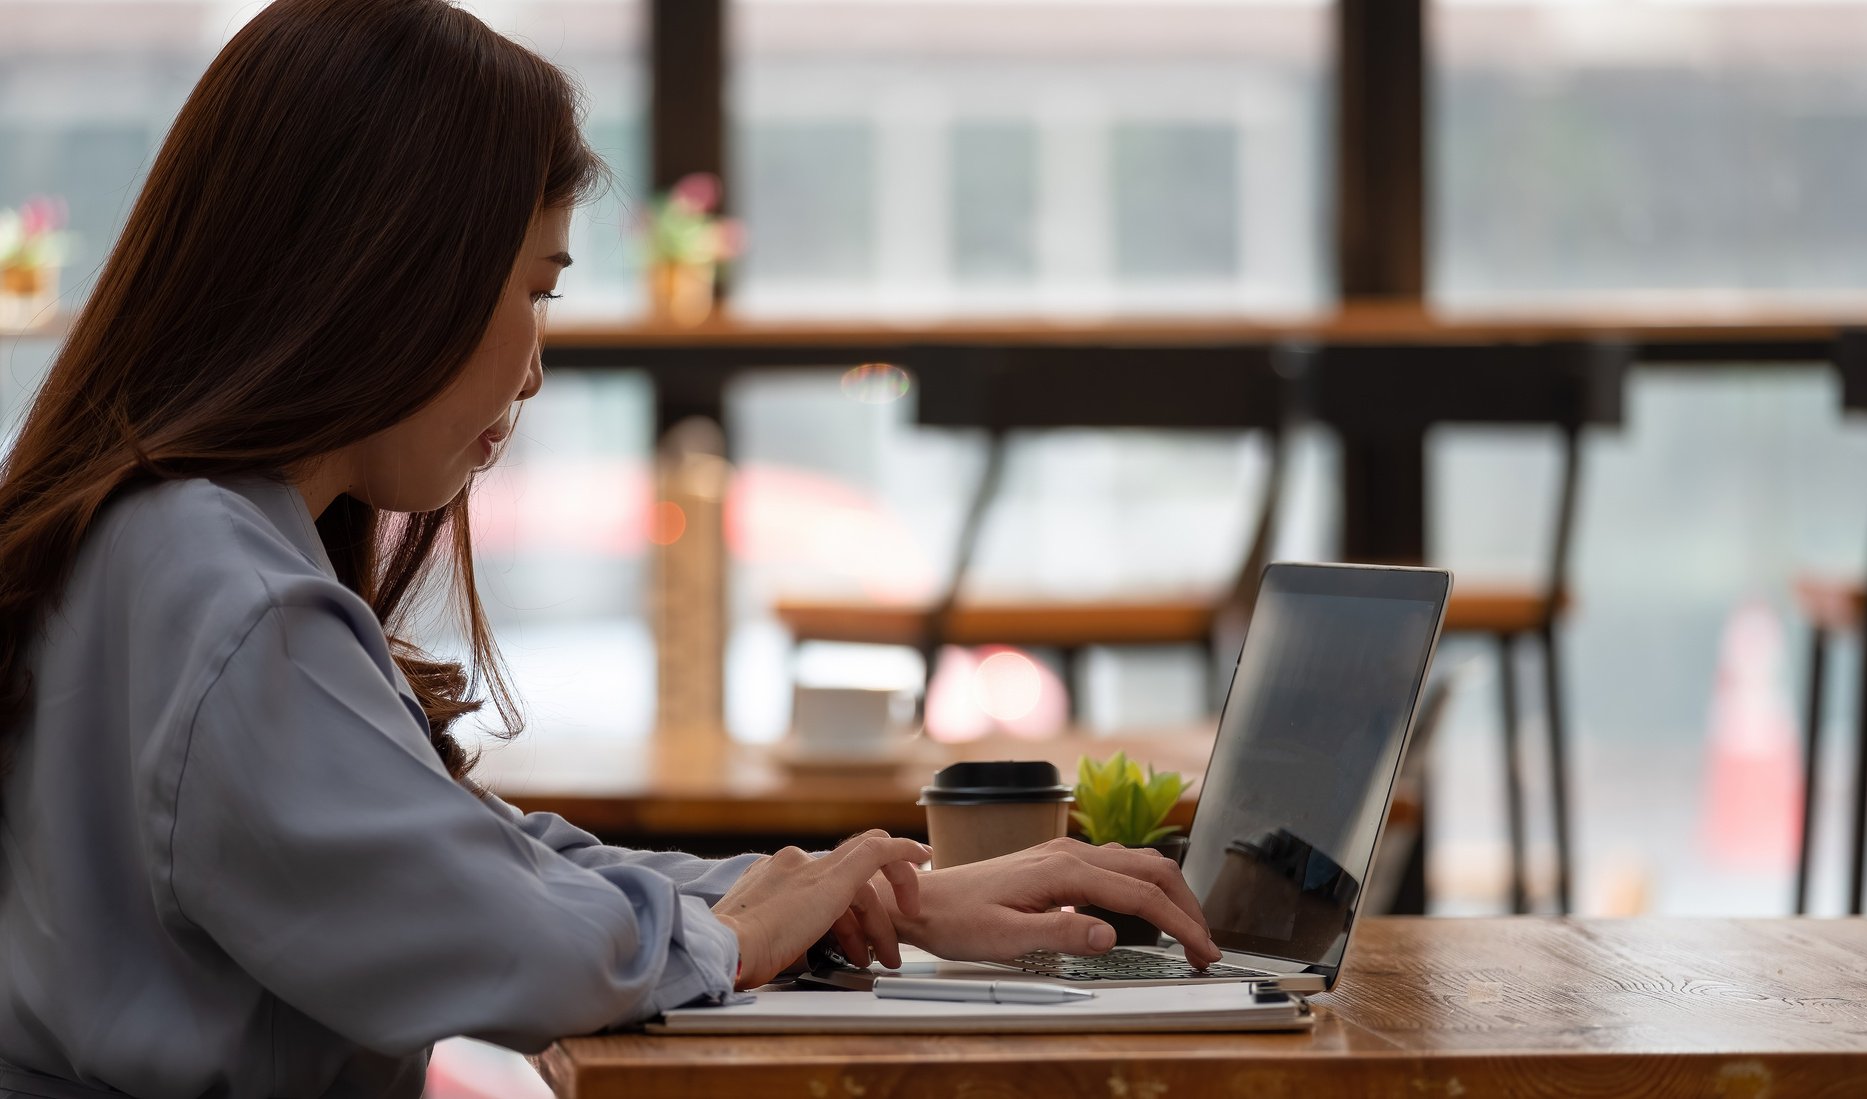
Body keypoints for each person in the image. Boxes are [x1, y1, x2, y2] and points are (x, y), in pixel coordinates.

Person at [0, 2, 1220, 1096]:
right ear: (383, 274)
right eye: (533, 290)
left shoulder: (164, 537)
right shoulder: (231, 593)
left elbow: (478, 859)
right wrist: (739, 935)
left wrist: (865, 896)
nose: (532, 369)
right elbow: (506, 941)